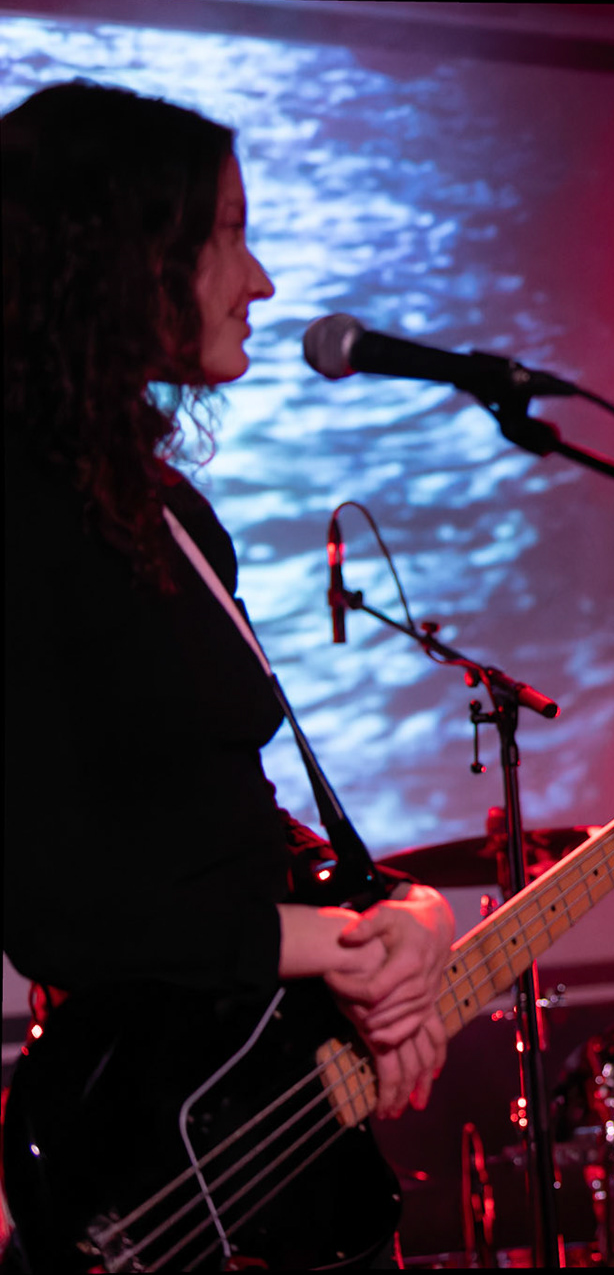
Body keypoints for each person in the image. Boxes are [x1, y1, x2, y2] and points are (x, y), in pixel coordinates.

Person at [2, 78, 453, 1175]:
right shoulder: (16, 514)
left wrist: (409, 925)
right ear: (125, 260)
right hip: (135, 1153)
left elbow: (217, 828)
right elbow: (60, 908)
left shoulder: (173, 515)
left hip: (243, 1126)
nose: (262, 280)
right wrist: (333, 951)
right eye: (230, 237)